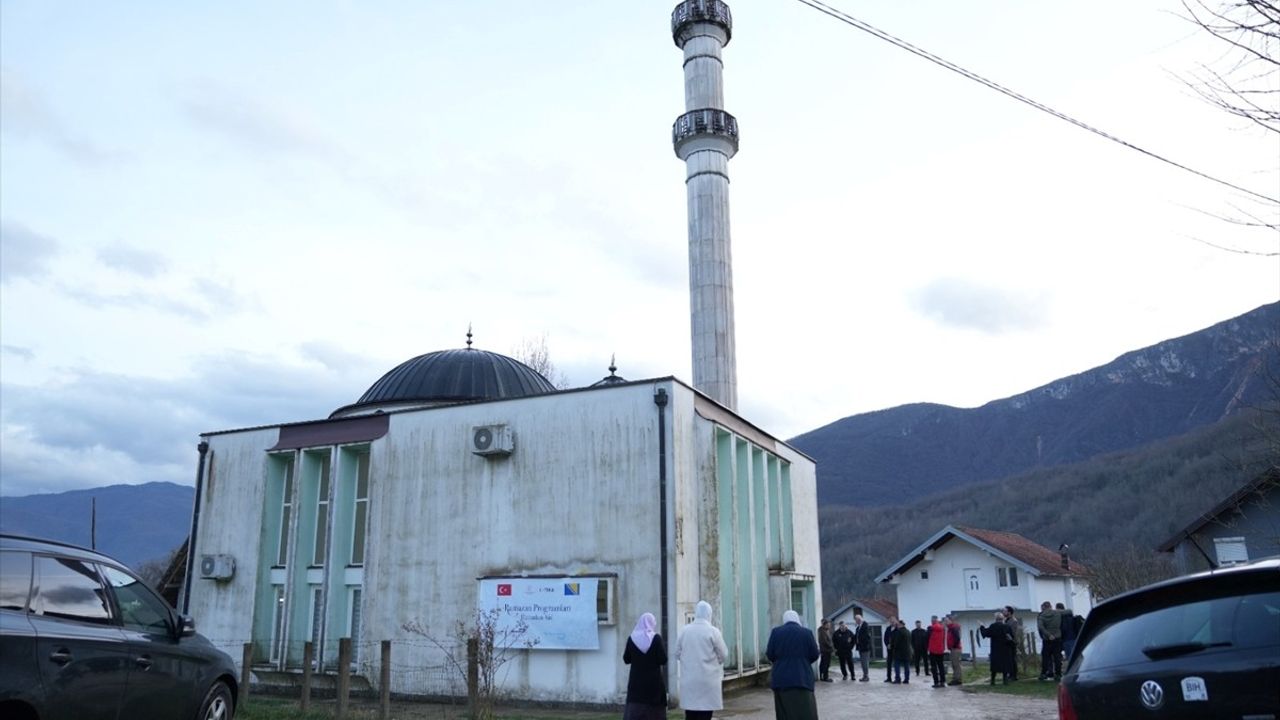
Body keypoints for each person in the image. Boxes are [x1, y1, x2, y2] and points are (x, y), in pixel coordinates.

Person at [675, 601, 729, 720]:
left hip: (689, 680)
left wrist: (688, 661)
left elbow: (677, 653)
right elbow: (723, 654)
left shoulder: (685, 630)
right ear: (709, 614)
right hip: (708, 681)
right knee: (705, 714)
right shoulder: (713, 631)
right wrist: (714, 662)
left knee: (690, 714)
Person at [765, 610, 820, 720]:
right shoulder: (807, 633)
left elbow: (770, 654)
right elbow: (815, 654)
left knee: (784, 713)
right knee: (806, 712)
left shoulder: (776, 632)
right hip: (802, 678)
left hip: (781, 679)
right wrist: (803, 662)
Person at [623, 612, 668, 720]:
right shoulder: (656, 639)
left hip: (636, 685)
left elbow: (626, 659)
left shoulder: (632, 639)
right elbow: (663, 660)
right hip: (654, 685)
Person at [978, 611, 1014, 686]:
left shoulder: (993, 626)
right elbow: (1011, 637)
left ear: (995, 619)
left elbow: (986, 633)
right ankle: (1005, 680)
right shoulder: (1007, 627)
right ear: (1003, 618)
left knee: (995, 665)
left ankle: (992, 681)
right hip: (1005, 648)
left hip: (996, 648)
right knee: (1005, 665)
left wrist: (982, 626)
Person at [1036, 601, 1063, 681]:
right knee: (1057, 657)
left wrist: (1048, 635)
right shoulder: (1057, 613)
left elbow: (1040, 627)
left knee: (1046, 657)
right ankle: (1058, 674)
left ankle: (1044, 673)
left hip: (1047, 639)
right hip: (1057, 637)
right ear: (1050, 606)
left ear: (1043, 607)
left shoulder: (1042, 616)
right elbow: (1069, 611)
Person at [1003, 606, 1024, 681]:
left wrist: (1012, 640)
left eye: (1005, 611)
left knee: (1012, 659)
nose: (1003, 612)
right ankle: (1010, 674)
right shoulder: (1006, 620)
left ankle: (1013, 675)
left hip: (1011, 642)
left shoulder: (1013, 621)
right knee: (1008, 659)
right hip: (1007, 642)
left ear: (1009, 612)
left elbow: (1014, 632)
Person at [927, 615, 947, 687]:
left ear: (933, 620)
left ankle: (936, 682)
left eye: (932, 620)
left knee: (934, 667)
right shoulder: (942, 629)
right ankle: (943, 681)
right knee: (941, 666)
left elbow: (927, 638)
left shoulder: (931, 628)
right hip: (940, 650)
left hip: (933, 650)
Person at [890, 619, 912, 683]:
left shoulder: (899, 632)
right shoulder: (908, 631)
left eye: (897, 624)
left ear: (900, 624)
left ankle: (898, 679)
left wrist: (893, 647)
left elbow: (896, 642)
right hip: (907, 652)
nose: (897, 626)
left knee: (897, 665)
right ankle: (906, 679)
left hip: (899, 652)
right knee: (906, 666)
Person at [852, 614, 871, 681]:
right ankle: (864, 675)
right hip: (860, 647)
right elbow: (855, 637)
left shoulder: (865, 625)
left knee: (865, 662)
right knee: (863, 663)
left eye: (856, 620)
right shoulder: (858, 627)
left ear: (859, 620)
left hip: (865, 648)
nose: (855, 622)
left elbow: (867, 637)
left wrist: (861, 642)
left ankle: (866, 676)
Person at [945, 615, 963, 686]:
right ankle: (955, 678)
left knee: (956, 665)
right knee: (954, 664)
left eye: (947, 621)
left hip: (955, 648)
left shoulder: (954, 627)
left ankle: (957, 679)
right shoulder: (950, 628)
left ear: (950, 620)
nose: (946, 622)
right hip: (953, 648)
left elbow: (957, 638)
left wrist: (953, 646)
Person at [816, 618, 834, 682]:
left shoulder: (826, 630)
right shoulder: (822, 631)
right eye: (828, 625)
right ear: (824, 625)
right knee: (825, 664)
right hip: (825, 650)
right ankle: (825, 677)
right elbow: (824, 641)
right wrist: (831, 647)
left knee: (824, 663)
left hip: (826, 650)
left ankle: (823, 676)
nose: (829, 626)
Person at [882, 616, 897, 682]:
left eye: (893, 621)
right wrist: (887, 644)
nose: (892, 623)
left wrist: (893, 645)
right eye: (890, 621)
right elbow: (885, 638)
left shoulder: (898, 629)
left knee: (896, 664)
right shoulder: (888, 628)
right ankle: (889, 678)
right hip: (889, 649)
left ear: (895, 621)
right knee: (889, 664)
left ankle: (897, 678)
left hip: (896, 649)